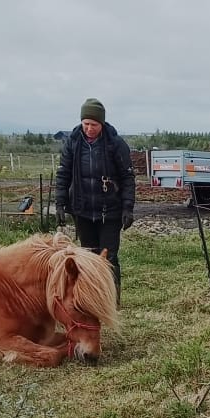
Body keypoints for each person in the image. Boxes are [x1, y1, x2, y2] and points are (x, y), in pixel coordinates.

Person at [55, 98, 135, 302]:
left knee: (108, 258)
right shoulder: (73, 142)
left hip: (110, 211)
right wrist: (60, 203)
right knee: (87, 258)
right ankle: (90, 299)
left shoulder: (115, 144)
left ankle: (111, 299)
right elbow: (63, 173)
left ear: (102, 124)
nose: (89, 128)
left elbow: (127, 177)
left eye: (94, 125)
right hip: (82, 210)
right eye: (86, 124)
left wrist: (128, 208)